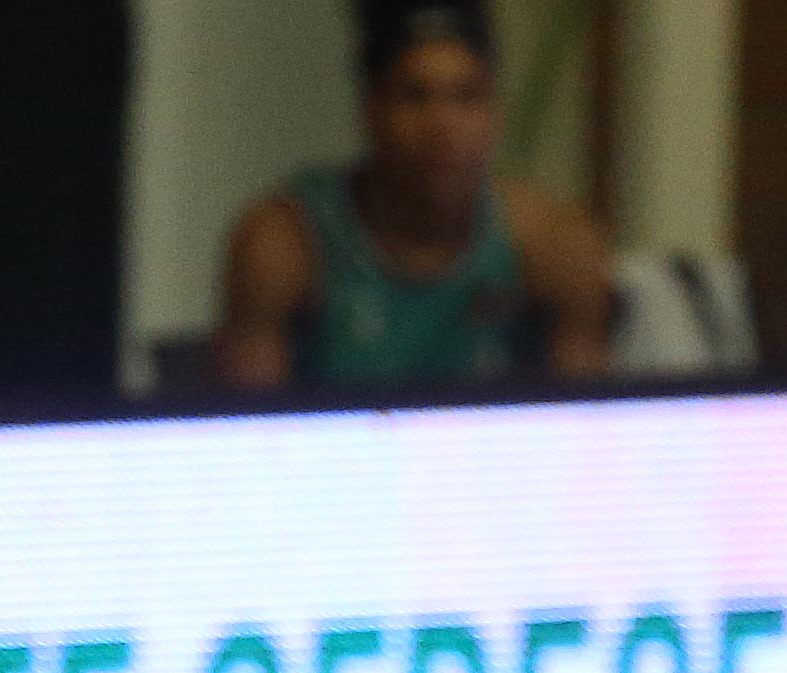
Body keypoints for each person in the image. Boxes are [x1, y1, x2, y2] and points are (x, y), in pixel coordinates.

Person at [212, 0, 612, 390]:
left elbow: (582, 426)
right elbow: (249, 433)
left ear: (495, 112)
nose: (443, 126)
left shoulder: (556, 247)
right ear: (370, 110)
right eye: (415, 96)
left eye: (466, 96)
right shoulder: (283, 246)